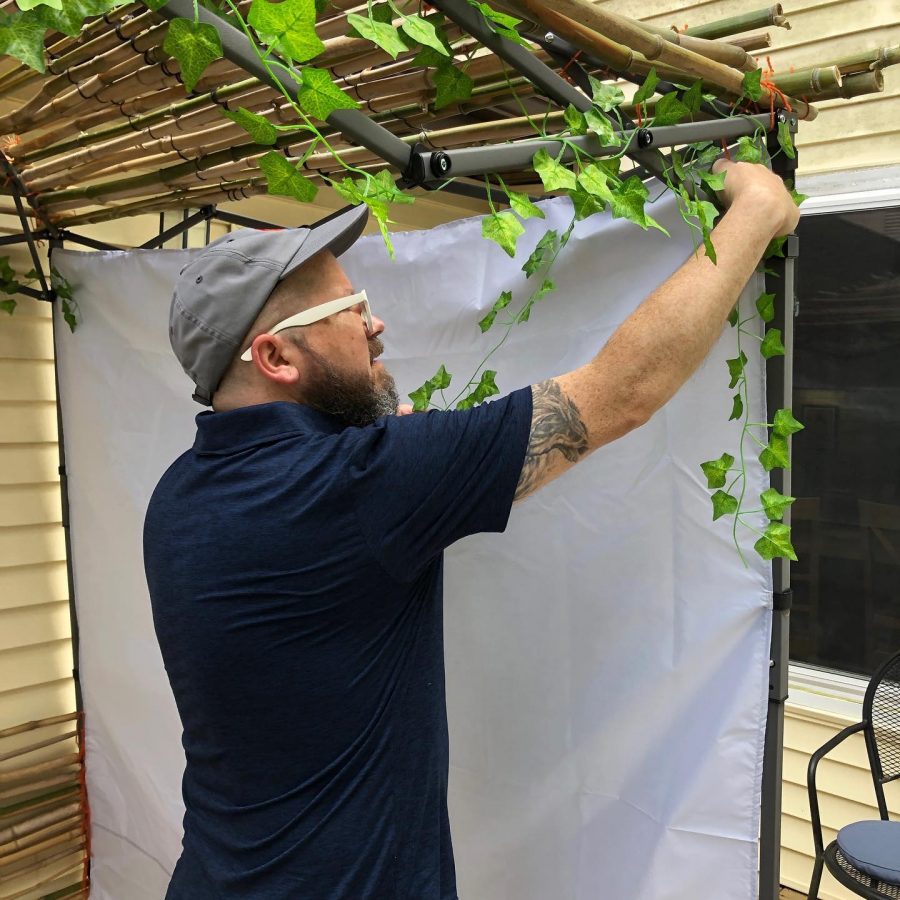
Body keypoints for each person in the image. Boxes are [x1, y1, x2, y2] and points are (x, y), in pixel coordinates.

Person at [143, 159, 799, 899]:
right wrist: (757, 209)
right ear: (275, 356)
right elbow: (626, 390)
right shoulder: (362, 485)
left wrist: (396, 468)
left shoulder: (178, 495)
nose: (375, 322)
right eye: (350, 308)